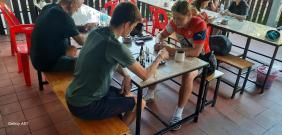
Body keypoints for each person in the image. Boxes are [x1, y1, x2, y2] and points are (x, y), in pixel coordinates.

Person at [66, 2, 169, 126]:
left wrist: (126, 75)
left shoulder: (96, 33)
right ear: (126, 24)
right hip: (85, 105)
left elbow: (110, 58)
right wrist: (159, 57)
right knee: (140, 103)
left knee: (126, 94)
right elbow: (146, 75)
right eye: (133, 26)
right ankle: (122, 132)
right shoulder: (116, 46)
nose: (132, 30)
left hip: (74, 95)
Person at [145, 0, 208, 130]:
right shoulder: (174, 22)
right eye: (174, 17)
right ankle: (150, 92)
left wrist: (171, 50)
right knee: (158, 60)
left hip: (203, 59)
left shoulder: (199, 24)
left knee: (188, 74)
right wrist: (159, 42)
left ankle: (178, 113)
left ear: (190, 16)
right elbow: (160, 35)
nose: (176, 21)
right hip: (182, 54)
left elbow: (196, 52)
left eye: (179, 18)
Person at [30, 0, 86, 72]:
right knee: (87, 63)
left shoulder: (48, 7)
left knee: (73, 49)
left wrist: (83, 27)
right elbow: (82, 41)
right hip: (48, 63)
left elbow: (66, 25)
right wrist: (93, 33)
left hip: (37, 58)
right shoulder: (64, 16)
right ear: (72, 3)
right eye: (78, 7)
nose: (77, 10)